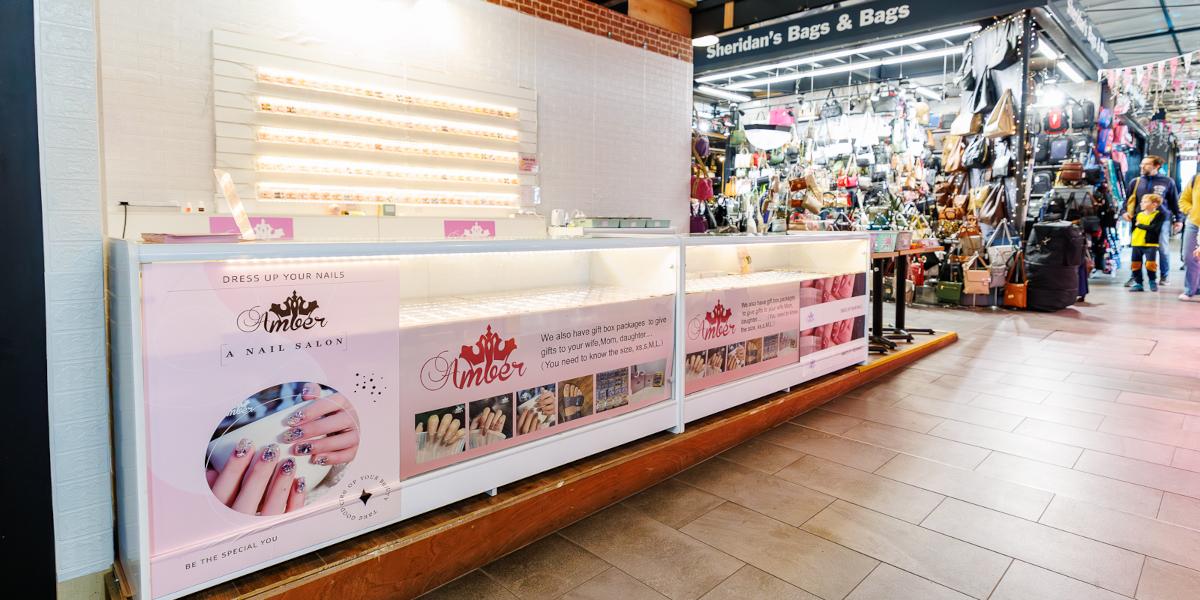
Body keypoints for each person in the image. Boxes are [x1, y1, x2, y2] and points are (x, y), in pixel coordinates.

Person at [1123, 156, 1183, 285]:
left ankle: (1164, 276)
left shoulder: (1167, 182)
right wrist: (1124, 213)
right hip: (1140, 220)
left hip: (1161, 220)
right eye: (1141, 164)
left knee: (1162, 248)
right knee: (1137, 249)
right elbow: (1127, 201)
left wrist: (1179, 219)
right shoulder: (1135, 182)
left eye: (1146, 164)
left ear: (1156, 166)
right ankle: (1135, 276)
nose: (1142, 167)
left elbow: (1174, 202)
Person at [1130, 194, 1167, 292]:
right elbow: (1133, 227)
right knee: (1135, 264)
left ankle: (1152, 281)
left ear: (1154, 204)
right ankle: (1138, 283)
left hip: (1150, 244)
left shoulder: (1159, 215)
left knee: (1150, 264)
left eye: (1145, 201)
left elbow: (1155, 229)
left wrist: (1140, 225)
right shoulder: (1138, 215)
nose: (1142, 203)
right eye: (1142, 201)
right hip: (1136, 243)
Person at [1178, 172, 1200, 301]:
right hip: (1194, 223)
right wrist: (1192, 211)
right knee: (1189, 256)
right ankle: (1190, 289)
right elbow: (1183, 200)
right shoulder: (1196, 179)